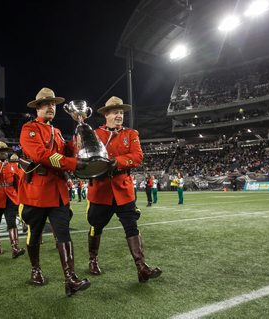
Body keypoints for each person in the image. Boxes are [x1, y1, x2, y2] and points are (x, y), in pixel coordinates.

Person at [18, 87, 90, 296]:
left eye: (54, 104)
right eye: (46, 104)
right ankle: (35, 269)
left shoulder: (56, 132)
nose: (51, 107)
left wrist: (78, 139)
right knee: (35, 234)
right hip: (37, 192)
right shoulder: (29, 129)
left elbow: (67, 150)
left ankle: (70, 278)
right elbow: (41, 155)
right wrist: (71, 163)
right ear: (38, 107)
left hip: (57, 191)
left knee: (64, 233)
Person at [86, 96, 162, 283]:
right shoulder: (95, 134)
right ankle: (93, 259)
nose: (119, 115)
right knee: (96, 225)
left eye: (121, 112)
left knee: (131, 226)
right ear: (106, 115)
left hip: (123, 189)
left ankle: (141, 267)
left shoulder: (131, 133)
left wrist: (116, 162)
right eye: (115, 112)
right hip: (101, 189)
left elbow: (137, 157)